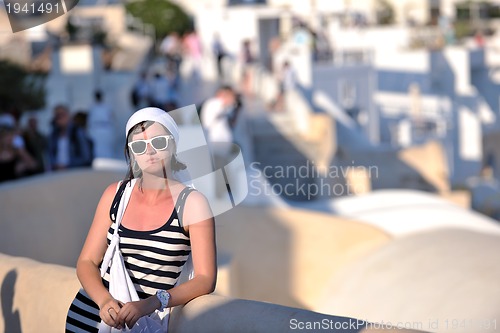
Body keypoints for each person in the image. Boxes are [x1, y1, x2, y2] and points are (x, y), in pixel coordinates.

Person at [66, 107, 216, 332]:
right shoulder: (114, 194)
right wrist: (104, 301)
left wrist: (154, 302)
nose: (150, 152)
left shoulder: (193, 204)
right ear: (131, 152)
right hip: (88, 319)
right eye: (139, 146)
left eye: (159, 142)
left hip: (142, 324)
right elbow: (86, 262)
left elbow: (205, 279)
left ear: (173, 144)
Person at [48, 104, 93, 170]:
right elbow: (50, 155)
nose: (60, 118)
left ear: (68, 115)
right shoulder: (53, 135)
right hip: (58, 174)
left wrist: (68, 166)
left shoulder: (77, 132)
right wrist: (56, 165)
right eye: (57, 116)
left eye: (62, 114)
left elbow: (86, 156)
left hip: (74, 172)